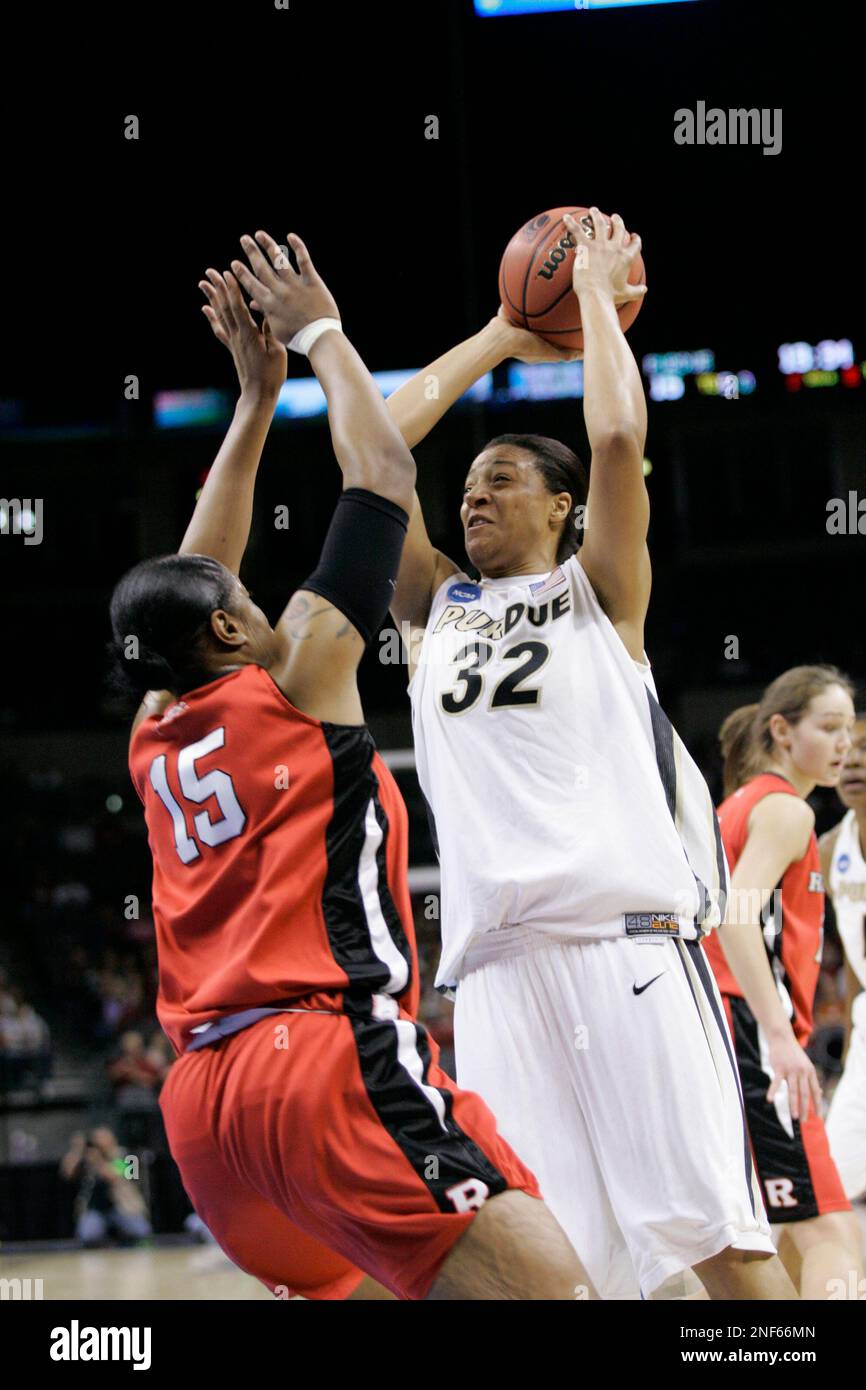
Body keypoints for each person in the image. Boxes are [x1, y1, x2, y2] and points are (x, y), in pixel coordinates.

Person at [109, 229, 593, 1302]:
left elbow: (195, 573)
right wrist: (319, 333)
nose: (263, 599)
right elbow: (380, 467)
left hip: (202, 1116)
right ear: (231, 638)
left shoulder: (153, 726)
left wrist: (248, 408)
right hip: (317, 1064)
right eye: (246, 603)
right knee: (550, 1292)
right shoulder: (302, 675)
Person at [381, 209, 792, 1299]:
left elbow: (615, 440)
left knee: (718, 1243)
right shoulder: (432, 608)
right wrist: (500, 333)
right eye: (467, 483)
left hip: (632, 952)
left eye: (503, 478)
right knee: (550, 1269)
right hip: (497, 977)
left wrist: (601, 309)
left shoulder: (599, 594)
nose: (473, 492)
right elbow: (376, 449)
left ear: (564, 510)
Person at [703, 666, 864, 1298]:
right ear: (781, 730)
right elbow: (736, 916)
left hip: (718, 1026)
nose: (844, 743)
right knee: (832, 1233)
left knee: (777, 1231)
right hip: (751, 1030)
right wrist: (778, 1034)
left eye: (850, 729)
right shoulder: (784, 810)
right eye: (829, 728)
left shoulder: (733, 809)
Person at [820, 713, 866, 1205]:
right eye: (849, 749)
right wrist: (854, 1038)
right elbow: (853, 960)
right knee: (830, 1185)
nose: (854, 759)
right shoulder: (833, 848)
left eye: (865, 749)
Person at [60, 1128, 152, 1247]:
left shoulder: (126, 1156)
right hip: (96, 1209)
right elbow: (68, 1173)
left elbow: (113, 1176)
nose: (98, 1144)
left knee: (142, 1231)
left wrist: (98, 1160)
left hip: (123, 1208)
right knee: (87, 1235)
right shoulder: (88, 1157)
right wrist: (77, 1150)